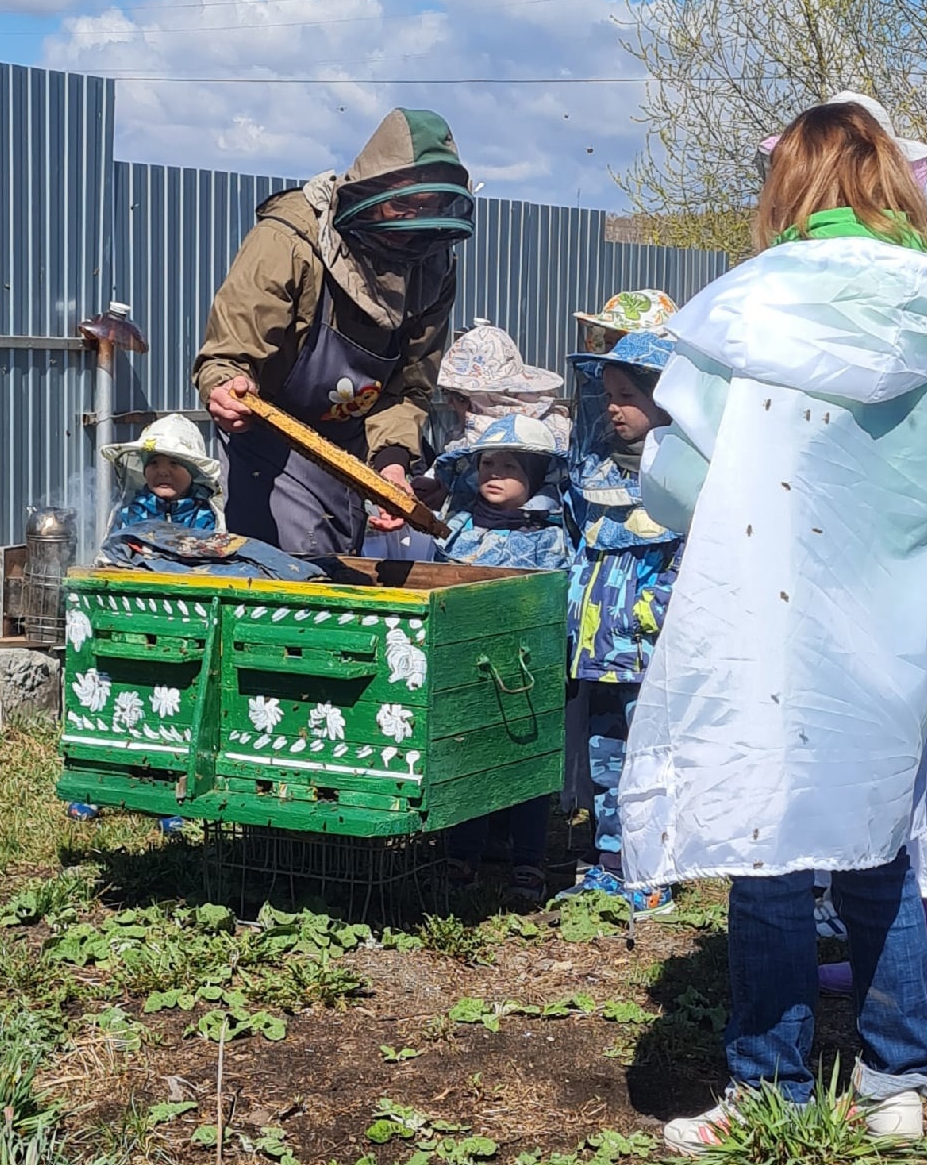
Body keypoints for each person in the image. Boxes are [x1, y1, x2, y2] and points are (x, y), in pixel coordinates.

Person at [618, 100, 927, 1152]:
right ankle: (895, 1081)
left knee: (767, 846)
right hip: (892, 627)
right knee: (878, 842)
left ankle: (770, 1082)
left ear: (792, 186)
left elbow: (680, 482)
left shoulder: (744, 310)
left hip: (769, 624)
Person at [193, 109, 474, 557]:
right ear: (373, 187)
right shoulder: (290, 239)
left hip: (354, 448)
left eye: (429, 207)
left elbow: (409, 387)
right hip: (272, 440)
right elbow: (229, 353)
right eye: (403, 203)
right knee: (291, 567)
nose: (413, 220)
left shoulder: (433, 266)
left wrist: (393, 465)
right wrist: (226, 388)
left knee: (347, 563)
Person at [564, 329, 681, 918]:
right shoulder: (592, 477)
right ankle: (612, 863)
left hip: (653, 657)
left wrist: (647, 613)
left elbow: (691, 567)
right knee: (607, 761)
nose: (613, 406)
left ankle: (655, 871)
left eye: (628, 393)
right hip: (601, 652)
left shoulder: (685, 483)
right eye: (607, 393)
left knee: (653, 764)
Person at [434, 415, 568, 900]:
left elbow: (557, 600)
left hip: (526, 667)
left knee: (526, 761)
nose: (494, 473)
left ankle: (528, 862)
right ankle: (461, 854)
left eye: (510, 466)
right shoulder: (457, 526)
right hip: (465, 664)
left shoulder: (550, 534)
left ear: (534, 478)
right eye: (487, 463)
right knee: (466, 756)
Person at [436, 320, 572, 450]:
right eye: (445, 392)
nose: (450, 403)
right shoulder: (458, 434)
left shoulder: (487, 439)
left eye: (458, 397)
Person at [102, 416, 223, 534]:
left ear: (193, 471)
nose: (163, 472)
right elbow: (110, 552)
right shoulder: (129, 515)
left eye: (174, 463)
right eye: (153, 463)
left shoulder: (208, 515)